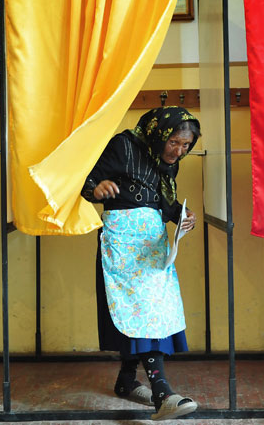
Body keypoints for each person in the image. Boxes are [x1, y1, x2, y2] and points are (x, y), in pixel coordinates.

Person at [81, 106, 200, 421]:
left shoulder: (166, 164)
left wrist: (181, 215)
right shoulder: (124, 145)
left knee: (153, 311)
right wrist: (96, 188)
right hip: (123, 244)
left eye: (186, 145)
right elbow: (83, 178)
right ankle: (163, 395)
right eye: (174, 142)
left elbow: (161, 200)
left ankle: (125, 381)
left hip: (153, 245)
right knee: (140, 312)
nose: (179, 150)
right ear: (160, 133)